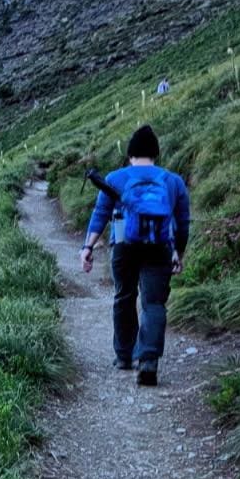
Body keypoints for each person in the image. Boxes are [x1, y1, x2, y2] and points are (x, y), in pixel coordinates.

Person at [80, 125, 191, 386]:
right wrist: (178, 252)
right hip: (159, 248)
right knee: (154, 303)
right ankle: (148, 361)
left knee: (124, 296)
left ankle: (124, 356)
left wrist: (87, 248)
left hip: (123, 245)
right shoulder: (173, 181)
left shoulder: (115, 178)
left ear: (130, 154)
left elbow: (101, 214)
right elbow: (183, 221)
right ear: (155, 153)